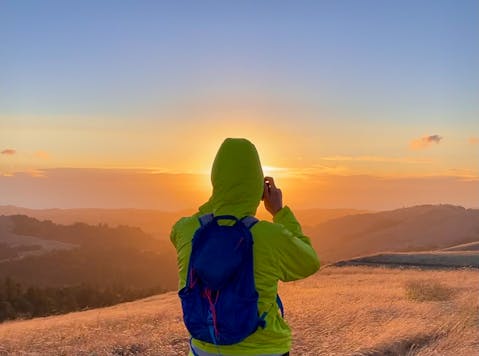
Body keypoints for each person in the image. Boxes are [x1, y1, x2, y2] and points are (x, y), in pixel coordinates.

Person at [170, 138, 320, 356]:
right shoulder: (270, 236)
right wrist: (280, 212)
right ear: (258, 186)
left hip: (204, 348)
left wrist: (219, 202)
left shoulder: (186, 230)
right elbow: (310, 261)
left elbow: (179, 231)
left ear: (215, 181)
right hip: (264, 349)